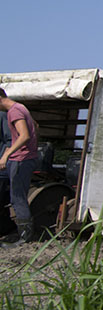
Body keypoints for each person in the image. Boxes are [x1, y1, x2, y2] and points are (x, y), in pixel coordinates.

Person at [0, 87, 40, 246]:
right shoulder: (20, 108)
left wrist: (6, 154)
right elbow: (36, 127)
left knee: (17, 198)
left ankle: (24, 237)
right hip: (21, 158)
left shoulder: (14, 111)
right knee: (16, 196)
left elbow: (24, 135)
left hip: (21, 159)